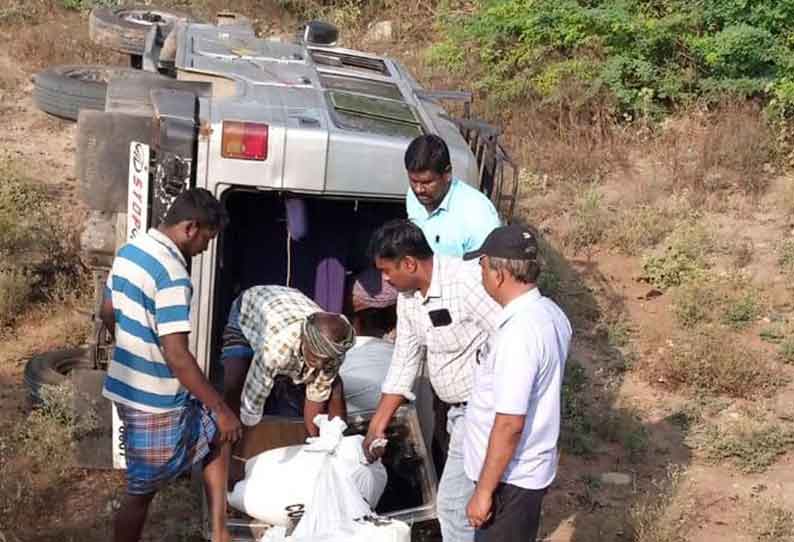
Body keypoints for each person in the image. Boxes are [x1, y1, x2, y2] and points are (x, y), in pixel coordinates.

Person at [100, 188, 238, 542]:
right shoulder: (174, 274)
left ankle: (220, 532)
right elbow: (178, 355)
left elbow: (107, 312)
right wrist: (220, 406)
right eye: (208, 238)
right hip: (155, 402)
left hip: (126, 386)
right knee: (141, 491)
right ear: (191, 227)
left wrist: (135, 346)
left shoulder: (131, 251)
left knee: (215, 435)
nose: (206, 248)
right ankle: (220, 533)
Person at [362, 219, 501, 542]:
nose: (384, 279)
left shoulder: (466, 282)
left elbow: (509, 331)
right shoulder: (408, 299)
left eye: (387, 271)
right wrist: (377, 425)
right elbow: (404, 361)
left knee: (452, 505)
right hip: (454, 413)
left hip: (483, 409)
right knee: (469, 500)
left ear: (409, 263)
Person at [461, 225, 572, 542]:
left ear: (498, 274)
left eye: (482, 265)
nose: (480, 274)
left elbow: (510, 422)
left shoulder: (519, 334)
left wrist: (484, 491)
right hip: (521, 475)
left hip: (507, 480)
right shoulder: (550, 313)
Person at [220, 285, 356, 435]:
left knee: (333, 385)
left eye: (325, 360)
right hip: (250, 309)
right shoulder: (275, 352)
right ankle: (227, 438)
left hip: (291, 304)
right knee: (235, 378)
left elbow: (315, 397)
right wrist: (249, 436)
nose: (320, 364)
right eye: (316, 357)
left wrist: (314, 440)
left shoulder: (334, 353)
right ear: (304, 342)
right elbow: (252, 403)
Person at [404, 134, 501, 258]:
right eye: (413, 181)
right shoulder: (415, 195)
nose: (418, 189)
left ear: (447, 173)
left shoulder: (479, 216)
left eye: (427, 182)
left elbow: (484, 272)